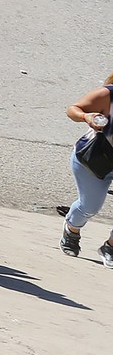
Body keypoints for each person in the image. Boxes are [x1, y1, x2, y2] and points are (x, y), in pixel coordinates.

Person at [60, 70, 113, 265]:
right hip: (93, 159)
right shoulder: (107, 95)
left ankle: (110, 247)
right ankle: (72, 230)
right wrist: (86, 116)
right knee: (89, 206)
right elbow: (72, 109)